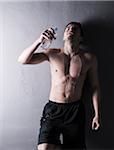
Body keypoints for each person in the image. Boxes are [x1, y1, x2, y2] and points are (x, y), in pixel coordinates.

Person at [18, 22, 101, 150]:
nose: (70, 30)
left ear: (81, 38)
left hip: (75, 111)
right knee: (44, 148)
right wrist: (40, 41)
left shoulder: (89, 58)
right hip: (53, 110)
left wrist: (97, 114)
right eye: (67, 28)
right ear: (63, 36)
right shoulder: (53, 53)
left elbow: (95, 87)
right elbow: (23, 60)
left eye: (75, 29)